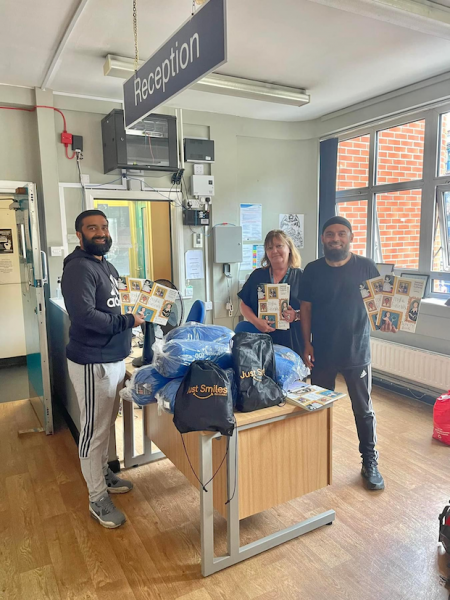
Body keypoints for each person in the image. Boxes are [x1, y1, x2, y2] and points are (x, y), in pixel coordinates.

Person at [62, 209, 145, 528]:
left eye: (105, 227)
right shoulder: (78, 269)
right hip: (92, 362)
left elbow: (115, 303)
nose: (101, 232)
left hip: (112, 359)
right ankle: (97, 497)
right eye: (92, 228)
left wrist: (141, 303)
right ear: (79, 235)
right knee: (93, 432)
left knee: (106, 424)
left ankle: (103, 475)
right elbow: (83, 316)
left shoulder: (105, 265)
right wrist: (128, 320)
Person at [300, 216, 385, 491]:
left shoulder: (366, 267)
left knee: (363, 409)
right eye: (329, 234)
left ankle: (369, 462)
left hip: (356, 351)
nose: (335, 238)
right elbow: (306, 310)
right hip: (322, 350)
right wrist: (306, 343)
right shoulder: (312, 270)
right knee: (319, 408)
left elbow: (380, 308)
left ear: (350, 237)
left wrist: (389, 320)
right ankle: (315, 458)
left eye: (341, 233)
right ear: (323, 239)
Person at [238, 229, 303, 356]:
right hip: (260, 341)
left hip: (292, 342)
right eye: (269, 248)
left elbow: (311, 309)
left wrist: (296, 315)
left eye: (279, 246)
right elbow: (244, 305)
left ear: (289, 248)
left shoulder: (301, 276)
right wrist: (256, 322)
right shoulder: (258, 276)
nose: (274, 251)